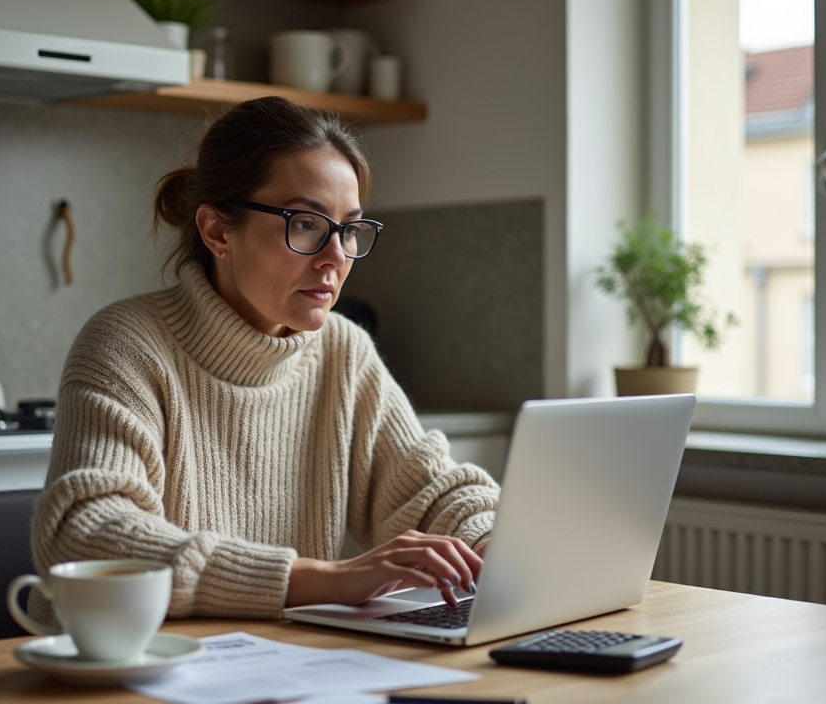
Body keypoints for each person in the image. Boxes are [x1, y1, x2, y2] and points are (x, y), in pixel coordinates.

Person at [30, 96, 499, 623]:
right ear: (216, 231)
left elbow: (433, 492)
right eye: (305, 224)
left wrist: (494, 544)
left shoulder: (345, 352)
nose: (336, 257)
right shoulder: (127, 345)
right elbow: (88, 533)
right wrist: (321, 579)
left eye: (349, 229)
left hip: (272, 668)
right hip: (125, 670)